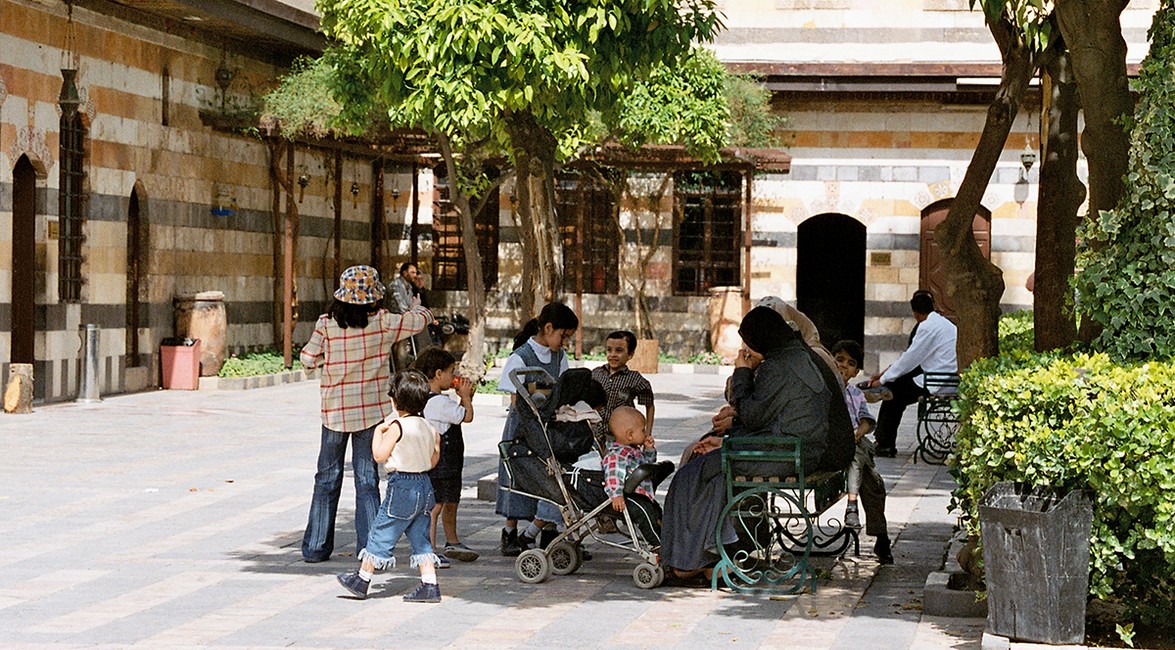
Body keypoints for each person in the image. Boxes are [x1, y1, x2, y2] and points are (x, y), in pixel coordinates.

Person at [659, 306, 848, 580]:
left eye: (749, 343)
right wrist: (726, 442)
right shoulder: (795, 356)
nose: (746, 350)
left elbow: (752, 415)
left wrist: (743, 371)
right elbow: (768, 417)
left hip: (784, 455)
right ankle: (708, 553)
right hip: (793, 450)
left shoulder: (778, 366)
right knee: (709, 471)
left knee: (690, 475)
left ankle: (685, 561)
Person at [299, 265, 431, 564]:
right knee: (367, 479)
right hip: (370, 412)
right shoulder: (384, 322)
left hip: (334, 411)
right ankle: (371, 548)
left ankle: (316, 547)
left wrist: (322, 361)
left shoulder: (326, 324)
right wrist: (417, 306)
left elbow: (307, 357)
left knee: (326, 478)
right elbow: (421, 320)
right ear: (374, 298)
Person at [336, 371, 443, 602]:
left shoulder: (397, 426)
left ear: (395, 401)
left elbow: (379, 455)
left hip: (402, 485)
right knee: (421, 538)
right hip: (425, 486)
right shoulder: (429, 427)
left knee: (382, 530)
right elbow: (434, 459)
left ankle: (362, 579)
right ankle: (430, 585)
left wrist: (378, 432)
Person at [496, 302, 579, 556]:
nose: (565, 343)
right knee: (517, 475)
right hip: (522, 427)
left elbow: (562, 388)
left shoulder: (559, 357)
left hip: (547, 426)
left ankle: (548, 530)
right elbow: (515, 398)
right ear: (549, 328)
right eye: (563, 336)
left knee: (547, 476)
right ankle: (510, 531)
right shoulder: (521, 356)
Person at [868, 290, 958, 457]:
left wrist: (883, 380)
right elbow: (912, 360)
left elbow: (910, 359)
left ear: (915, 314)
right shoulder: (944, 324)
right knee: (896, 385)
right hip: (947, 378)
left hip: (936, 382)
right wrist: (886, 374)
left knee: (893, 395)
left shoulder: (927, 327)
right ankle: (882, 439)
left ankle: (884, 443)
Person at [412, 347, 479, 568]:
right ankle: (429, 550)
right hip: (444, 463)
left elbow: (455, 415)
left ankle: (452, 541)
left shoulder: (430, 399)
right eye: (452, 372)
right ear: (438, 374)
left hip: (442, 461)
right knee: (438, 505)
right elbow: (466, 416)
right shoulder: (440, 402)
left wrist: (464, 398)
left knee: (450, 501)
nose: (454, 376)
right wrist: (466, 398)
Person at [831, 340, 894, 564]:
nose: (843, 366)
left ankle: (880, 534)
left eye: (850, 363)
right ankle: (854, 509)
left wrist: (858, 432)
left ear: (856, 371)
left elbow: (866, 420)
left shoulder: (856, 393)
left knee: (874, 484)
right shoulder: (825, 390)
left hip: (856, 444)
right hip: (836, 448)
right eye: (839, 360)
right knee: (857, 462)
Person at [602, 406, 661, 546]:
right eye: (643, 430)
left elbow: (647, 464)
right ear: (630, 435)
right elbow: (613, 475)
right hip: (629, 495)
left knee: (656, 512)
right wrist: (616, 495)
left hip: (642, 494)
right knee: (644, 516)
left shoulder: (633, 451)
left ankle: (666, 537)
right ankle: (657, 545)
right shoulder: (617, 454)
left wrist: (649, 450)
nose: (646, 433)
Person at [590, 330, 655, 440]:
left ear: (630, 354)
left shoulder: (635, 379)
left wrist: (647, 433)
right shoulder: (596, 374)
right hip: (595, 435)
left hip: (621, 438)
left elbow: (649, 405)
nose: (613, 355)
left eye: (619, 350)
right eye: (609, 350)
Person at [388, 262, 421, 371]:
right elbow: (402, 307)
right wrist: (413, 308)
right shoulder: (396, 285)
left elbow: (412, 305)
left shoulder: (409, 287)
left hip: (404, 321)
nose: (415, 275)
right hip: (394, 322)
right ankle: (400, 372)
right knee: (400, 348)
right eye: (412, 272)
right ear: (404, 273)